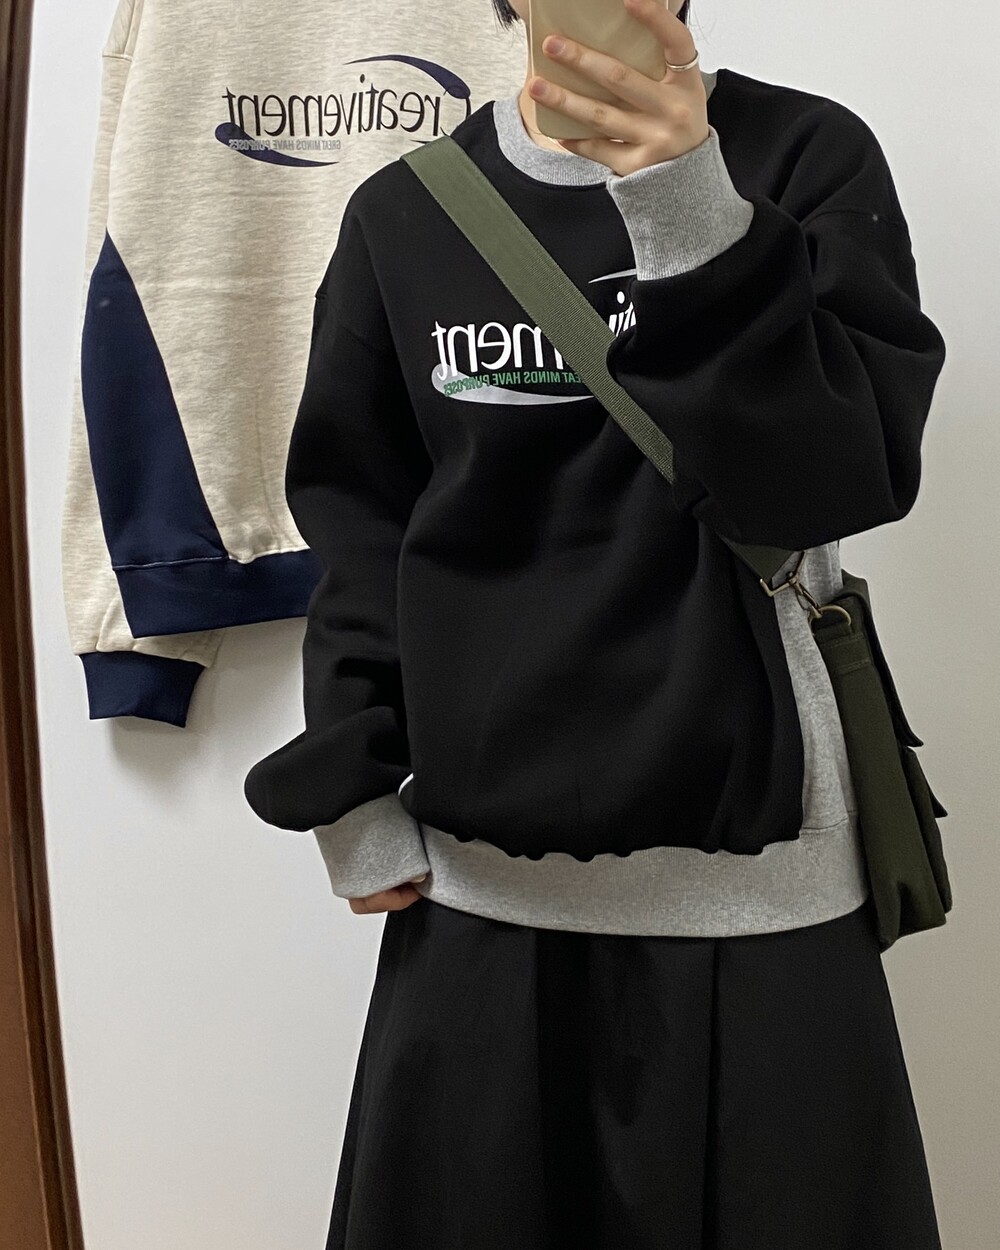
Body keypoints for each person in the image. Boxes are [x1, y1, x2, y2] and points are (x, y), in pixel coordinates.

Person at [243, 0, 948, 1244]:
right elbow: (360, 522)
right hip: (482, 884)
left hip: (764, 880)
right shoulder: (404, 214)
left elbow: (836, 479)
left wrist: (690, 208)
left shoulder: (804, 157)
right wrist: (350, 791)